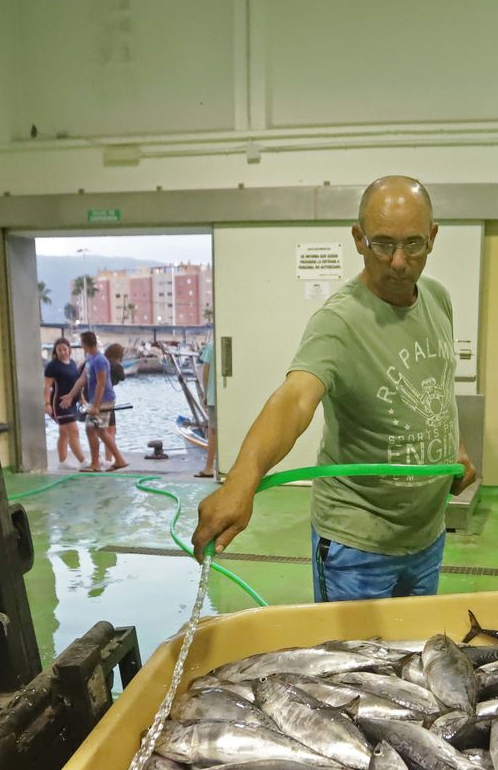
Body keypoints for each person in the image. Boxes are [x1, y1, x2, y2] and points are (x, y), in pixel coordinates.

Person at [191, 175, 475, 601]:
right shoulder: (339, 322)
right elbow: (295, 400)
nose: (399, 261)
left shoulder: (437, 299)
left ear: (432, 237)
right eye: (383, 244)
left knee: (416, 644)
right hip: (358, 546)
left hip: (427, 536)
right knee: (352, 648)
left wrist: (456, 448)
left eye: (413, 244)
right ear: (359, 239)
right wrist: (241, 481)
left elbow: (436, 382)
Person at [60, 330, 128, 472]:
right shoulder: (90, 359)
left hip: (104, 400)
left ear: (85, 344)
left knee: (91, 429)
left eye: (81, 343)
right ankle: (119, 460)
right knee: (101, 432)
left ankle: (96, 464)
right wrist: (70, 395)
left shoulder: (100, 360)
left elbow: (101, 384)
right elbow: (82, 379)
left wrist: (96, 406)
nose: (81, 345)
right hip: (96, 400)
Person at [43, 337, 83, 467]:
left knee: (64, 433)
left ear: (69, 349)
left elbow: (77, 384)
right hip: (60, 405)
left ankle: (62, 461)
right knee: (74, 431)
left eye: (65, 349)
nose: (62, 352)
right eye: (59, 350)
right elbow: (47, 386)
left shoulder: (72, 363)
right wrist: (47, 404)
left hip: (72, 404)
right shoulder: (52, 366)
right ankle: (83, 461)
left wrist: (82, 400)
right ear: (55, 351)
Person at [196, 339, 217, 478]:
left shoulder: (211, 346)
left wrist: (205, 394)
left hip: (214, 396)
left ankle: (209, 467)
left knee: (213, 432)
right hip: (228, 397)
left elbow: (206, 372)